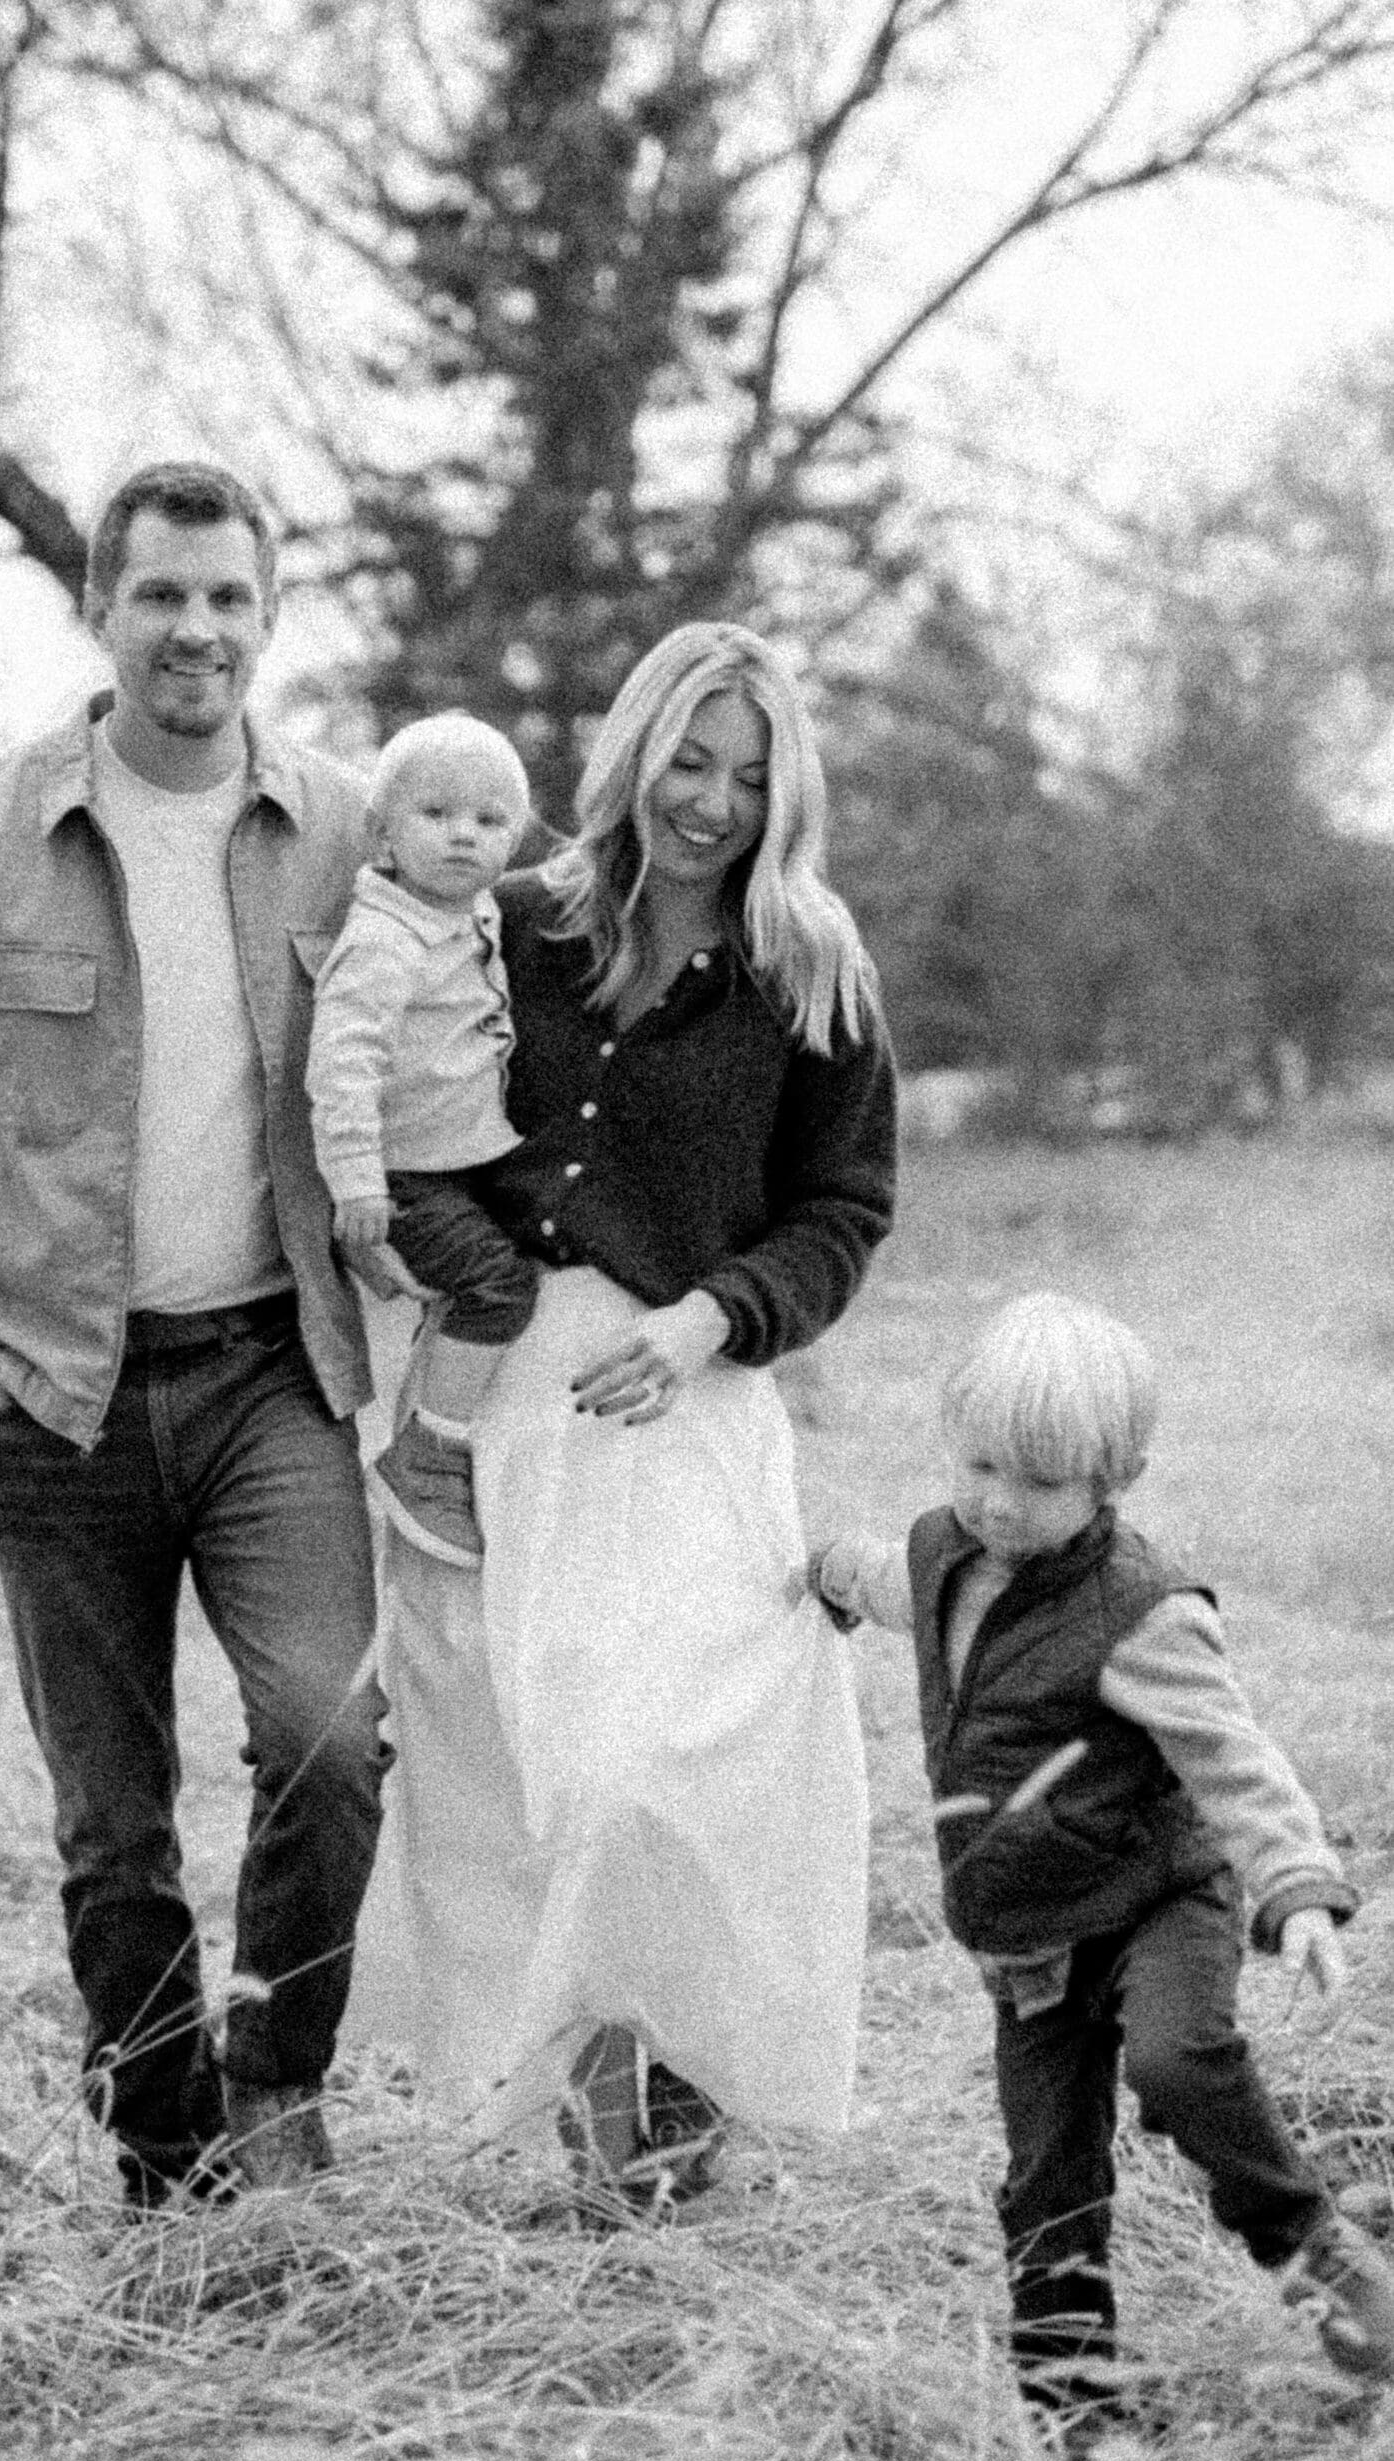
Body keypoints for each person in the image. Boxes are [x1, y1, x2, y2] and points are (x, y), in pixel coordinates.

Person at [0, 461, 390, 2212]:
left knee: (329, 1738)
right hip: (48, 1399)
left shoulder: (351, 830)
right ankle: (164, 2155)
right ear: (99, 609)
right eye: (161, 595)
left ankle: (276, 2078)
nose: (195, 630)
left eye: (228, 597)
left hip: (272, 1376)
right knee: (111, 1817)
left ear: (269, 615)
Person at [348, 622, 899, 2214]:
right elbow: (405, 1095)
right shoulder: (510, 925)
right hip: (494, 1406)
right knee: (512, 1781)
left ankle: (683, 2097)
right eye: (687, 760)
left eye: (746, 775)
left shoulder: (812, 964)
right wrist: (421, 1249)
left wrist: (711, 1312)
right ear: (633, 751)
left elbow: (843, 1212)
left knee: (659, 1764)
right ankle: (589, 2164)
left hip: (685, 1405)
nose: (710, 802)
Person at [798, 1290, 1394, 2438]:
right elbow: (892, 1583)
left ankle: (1317, 2254)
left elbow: (1233, 1758)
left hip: (1156, 1900)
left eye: (1036, 1481)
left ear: (1112, 1479)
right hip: (1027, 1935)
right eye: (977, 1464)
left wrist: (1298, 1885)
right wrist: (826, 1569)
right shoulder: (941, 1550)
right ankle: (1078, 2420)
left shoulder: (1141, 1612)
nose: (995, 1502)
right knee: (1045, 2183)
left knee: (1177, 2060)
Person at [305, 712, 539, 1566]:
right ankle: (427, 1454)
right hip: (404, 1175)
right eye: (436, 815)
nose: (462, 837)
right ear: (381, 833)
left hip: (463, 1159)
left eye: (488, 821)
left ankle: (454, 1417)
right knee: (498, 1287)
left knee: (520, 1259)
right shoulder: (385, 938)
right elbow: (343, 1064)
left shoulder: (470, 915)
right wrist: (357, 1185)